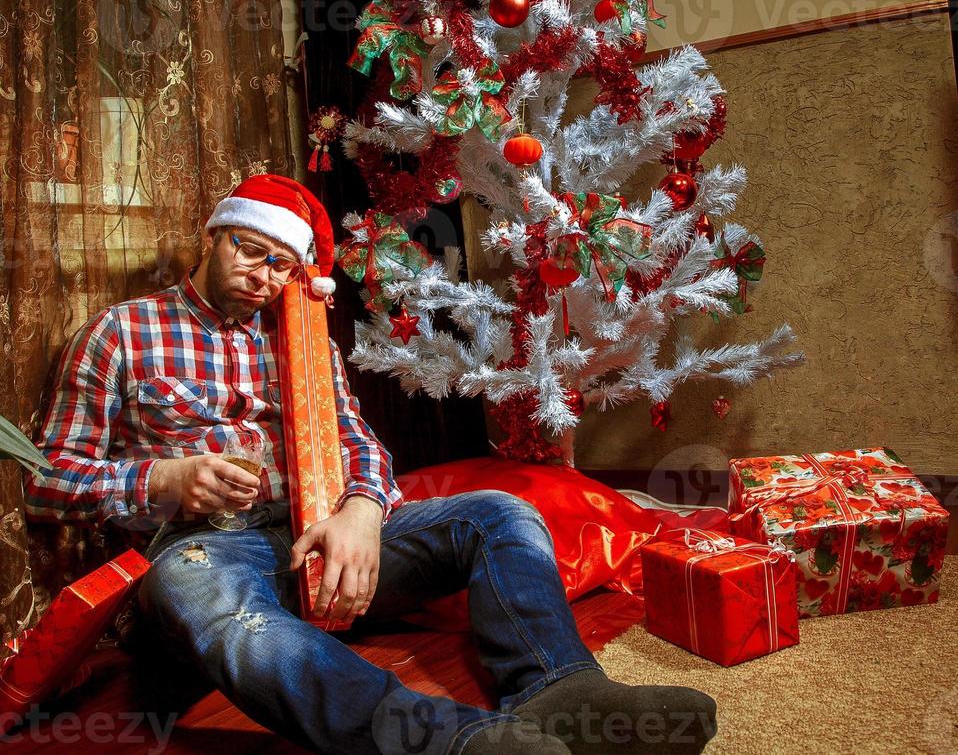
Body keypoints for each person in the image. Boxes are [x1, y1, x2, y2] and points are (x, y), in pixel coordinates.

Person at [24, 174, 717, 754]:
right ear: (211, 237)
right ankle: (447, 742)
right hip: (202, 554)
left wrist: (359, 512)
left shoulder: (303, 342)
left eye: (280, 265)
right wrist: (165, 481)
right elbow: (48, 479)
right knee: (205, 596)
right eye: (248, 249)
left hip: (318, 537)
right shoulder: (121, 333)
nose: (261, 274)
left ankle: (564, 691)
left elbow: (361, 447)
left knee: (500, 514)